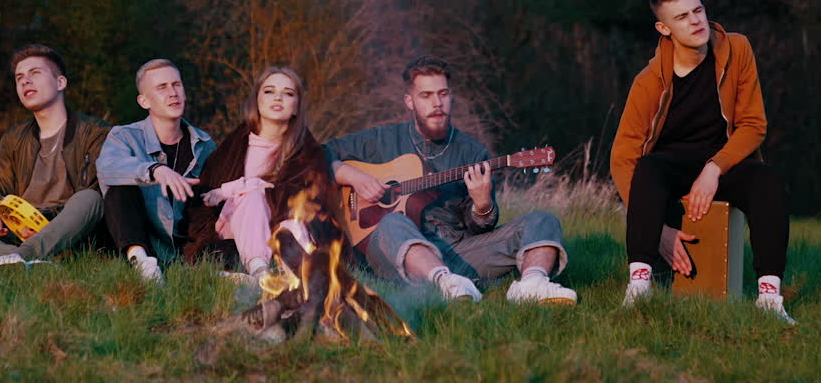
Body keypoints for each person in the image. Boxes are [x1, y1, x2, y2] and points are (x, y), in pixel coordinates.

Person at [610, 0, 794, 324]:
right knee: (647, 167)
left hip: (723, 165)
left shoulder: (737, 49)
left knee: (767, 181)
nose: (695, 21)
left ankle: (769, 299)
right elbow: (622, 158)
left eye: (698, 10)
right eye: (682, 17)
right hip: (670, 170)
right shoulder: (648, 81)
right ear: (664, 29)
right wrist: (659, 231)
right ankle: (638, 290)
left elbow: (753, 125)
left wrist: (714, 168)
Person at [324, 55, 577, 304]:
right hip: (394, 251)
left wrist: (482, 206)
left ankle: (531, 284)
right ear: (409, 101)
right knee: (392, 221)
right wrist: (353, 176)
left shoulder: (472, 152)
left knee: (543, 220)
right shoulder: (382, 141)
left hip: (458, 252)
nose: (437, 103)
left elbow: (480, 229)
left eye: (443, 94)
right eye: (426, 95)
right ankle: (444, 283)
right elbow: (316, 153)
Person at [0, 44, 109, 269]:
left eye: (35, 73)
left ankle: (21, 256)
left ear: (60, 83)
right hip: (17, 230)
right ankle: (8, 256)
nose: (25, 81)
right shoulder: (13, 139)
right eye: (19, 78)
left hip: (67, 231)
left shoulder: (96, 132)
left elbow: (96, 195)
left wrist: (43, 224)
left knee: (89, 199)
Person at [183, 66, 338, 281]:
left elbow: (307, 200)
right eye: (269, 91)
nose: (278, 97)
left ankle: (298, 276)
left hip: (281, 227)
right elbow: (207, 196)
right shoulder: (235, 145)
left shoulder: (306, 152)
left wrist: (235, 188)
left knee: (291, 221)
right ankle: (260, 270)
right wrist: (251, 190)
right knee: (253, 197)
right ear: (257, 100)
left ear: (296, 107)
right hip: (237, 225)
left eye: (288, 93)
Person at [96, 58, 215, 283]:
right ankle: (143, 265)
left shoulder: (204, 144)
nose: (173, 93)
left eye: (177, 84)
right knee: (120, 188)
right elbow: (106, 168)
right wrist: (155, 170)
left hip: (187, 246)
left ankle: (220, 270)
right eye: (162, 87)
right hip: (141, 239)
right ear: (144, 101)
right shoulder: (124, 136)